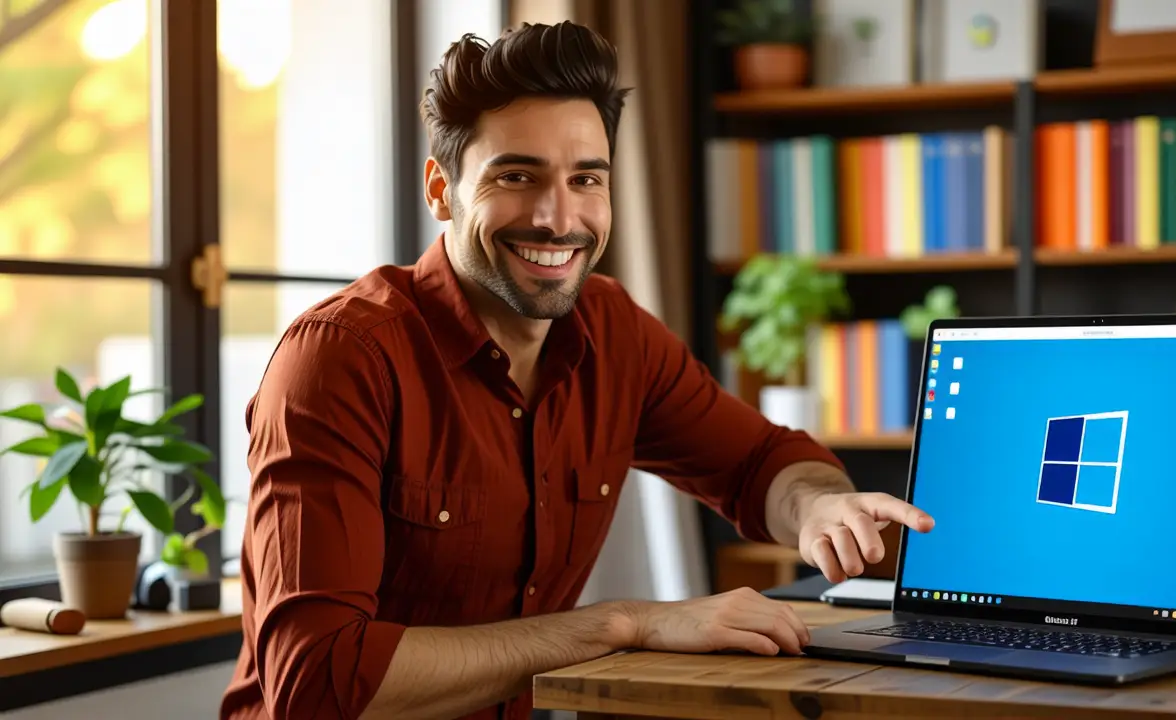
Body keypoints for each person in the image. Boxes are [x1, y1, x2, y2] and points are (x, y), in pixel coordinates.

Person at [219, 20, 934, 720]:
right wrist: (622, 623)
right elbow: (316, 680)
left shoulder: (611, 328)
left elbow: (758, 462)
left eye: (585, 178)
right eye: (517, 176)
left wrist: (816, 505)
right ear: (442, 190)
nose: (559, 219)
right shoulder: (341, 358)